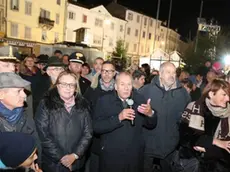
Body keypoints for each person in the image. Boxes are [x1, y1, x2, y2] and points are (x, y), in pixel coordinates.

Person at [93, 72, 157, 172]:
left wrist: (150, 114)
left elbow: (151, 125)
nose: (126, 88)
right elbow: (96, 127)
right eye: (122, 84)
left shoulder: (139, 99)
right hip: (112, 157)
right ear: (115, 86)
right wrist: (118, 118)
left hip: (134, 157)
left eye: (129, 84)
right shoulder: (104, 101)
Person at [35, 70, 93, 172]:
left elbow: (88, 133)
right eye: (64, 84)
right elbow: (43, 134)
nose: (68, 88)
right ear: (57, 85)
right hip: (53, 163)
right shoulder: (46, 104)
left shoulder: (83, 105)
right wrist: (62, 158)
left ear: (76, 88)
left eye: (71, 85)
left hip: (77, 163)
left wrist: (75, 155)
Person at [139, 62, 190, 172]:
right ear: (160, 74)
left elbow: (186, 118)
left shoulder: (183, 94)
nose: (172, 75)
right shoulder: (146, 91)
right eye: (168, 72)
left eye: (174, 72)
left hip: (170, 146)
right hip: (148, 144)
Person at [180, 79, 230, 171]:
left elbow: (227, 148)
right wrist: (215, 141)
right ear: (211, 94)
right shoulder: (194, 107)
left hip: (221, 167)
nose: (228, 99)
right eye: (224, 94)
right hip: (194, 164)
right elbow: (185, 139)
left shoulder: (228, 113)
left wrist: (207, 150)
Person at [0, 73, 41, 164]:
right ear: (1, 95)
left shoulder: (25, 116)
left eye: (23, 90)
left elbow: (36, 145)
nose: (24, 95)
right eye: (18, 91)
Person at [84, 61, 116, 172]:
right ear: (100, 72)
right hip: (96, 137)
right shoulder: (92, 89)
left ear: (114, 73)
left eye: (110, 71)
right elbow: (85, 111)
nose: (107, 74)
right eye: (104, 71)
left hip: (113, 136)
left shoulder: (119, 90)